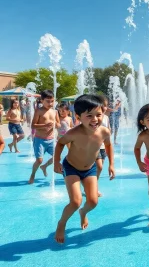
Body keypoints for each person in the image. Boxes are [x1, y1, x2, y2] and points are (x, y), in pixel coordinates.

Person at [54, 94, 115, 243]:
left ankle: (83, 212)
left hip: (90, 168)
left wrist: (111, 164)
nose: (95, 119)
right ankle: (62, 223)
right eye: (89, 115)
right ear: (79, 116)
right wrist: (56, 161)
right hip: (72, 167)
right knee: (75, 201)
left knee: (93, 201)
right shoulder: (74, 133)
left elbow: (108, 145)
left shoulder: (104, 132)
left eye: (98, 115)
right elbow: (60, 143)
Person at [28, 90, 61, 184]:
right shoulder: (39, 111)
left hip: (51, 140)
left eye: (52, 101)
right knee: (39, 160)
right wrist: (44, 126)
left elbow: (58, 125)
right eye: (47, 101)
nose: (50, 103)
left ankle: (45, 166)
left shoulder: (55, 112)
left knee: (57, 157)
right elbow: (33, 125)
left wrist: (56, 125)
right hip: (40, 140)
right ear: (42, 100)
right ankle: (33, 174)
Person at [95, 95, 111, 197]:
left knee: (99, 168)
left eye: (106, 105)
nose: (105, 107)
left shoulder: (106, 118)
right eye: (103, 105)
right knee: (99, 167)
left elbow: (108, 129)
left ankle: (93, 184)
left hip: (103, 146)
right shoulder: (96, 117)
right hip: (94, 145)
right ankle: (93, 187)